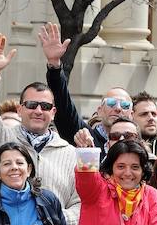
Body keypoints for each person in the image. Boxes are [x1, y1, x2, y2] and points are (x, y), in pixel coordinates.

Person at [0, 34, 81, 225]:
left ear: (53, 113)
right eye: (31, 105)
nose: (38, 111)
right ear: (20, 109)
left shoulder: (70, 153)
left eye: (45, 106)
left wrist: (53, 218)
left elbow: (80, 204)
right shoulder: (3, 139)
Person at [39, 23, 133, 154]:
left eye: (125, 105)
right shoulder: (84, 137)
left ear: (132, 114)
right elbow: (64, 106)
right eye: (111, 103)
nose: (118, 108)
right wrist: (54, 65)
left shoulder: (140, 147)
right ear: (99, 111)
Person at [132, 92, 157, 157]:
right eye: (144, 114)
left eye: (154, 114)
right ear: (132, 116)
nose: (151, 118)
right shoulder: (124, 145)